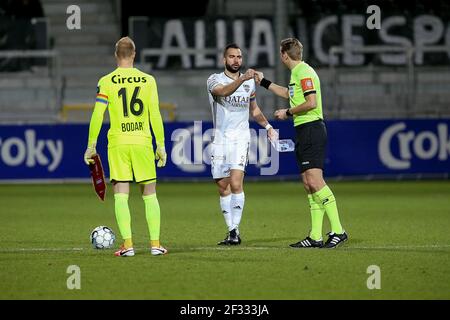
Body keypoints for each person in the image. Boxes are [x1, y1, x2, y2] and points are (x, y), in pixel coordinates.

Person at [255, 38, 348, 249]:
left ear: (284, 55)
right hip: (305, 130)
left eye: (280, 53)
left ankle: (339, 230)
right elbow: (290, 94)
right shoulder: (297, 73)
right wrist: (264, 82)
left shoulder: (304, 72)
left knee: (316, 182)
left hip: (312, 129)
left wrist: (286, 112)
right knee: (308, 184)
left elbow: (311, 102)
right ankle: (315, 236)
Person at [84, 37, 168, 257]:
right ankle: (156, 245)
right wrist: (161, 145)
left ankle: (128, 245)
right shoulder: (148, 80)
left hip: (119, 143)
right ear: (134, 54)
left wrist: (91, 145)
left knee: (121, 193)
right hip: (142, 141)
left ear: (115, 55)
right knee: (149, 194)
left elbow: (98, 115)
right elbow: (155, 114)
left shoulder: (107, 81)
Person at [207, 43, 278, 245]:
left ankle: (235, 232)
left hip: (240, 138)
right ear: (224, 60)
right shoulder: (214, 80)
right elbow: (223, 92)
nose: (236, 60)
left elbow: (254, 110)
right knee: (222, 186)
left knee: (236, 183)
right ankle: (231, 229)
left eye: (239, 57)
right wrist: (244, 79)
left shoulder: (249, 84)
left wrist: (268, 127)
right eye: (232, 57)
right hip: (220, 139)